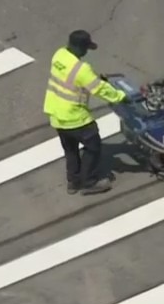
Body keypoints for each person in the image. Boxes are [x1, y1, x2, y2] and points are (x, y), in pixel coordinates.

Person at [44, 30, 127, 195]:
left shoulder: (59, 55)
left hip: (57, 115)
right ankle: (89, 182)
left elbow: (72, 78)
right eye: (86, 48)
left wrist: (93, 78)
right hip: (75, 117)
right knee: (93, 146)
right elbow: (99, 89)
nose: (86, 52)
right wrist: (120, 96)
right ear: (81, 48)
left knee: (70, 150)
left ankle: (73, 181)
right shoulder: (81, 69)